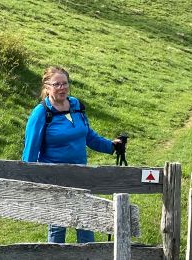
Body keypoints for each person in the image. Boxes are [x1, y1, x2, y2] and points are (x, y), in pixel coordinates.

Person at [22, 66, 120, 243]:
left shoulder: (76, 105)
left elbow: (87, 135)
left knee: (86, 222)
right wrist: (28, 182)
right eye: (56, 84)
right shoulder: (41, 113)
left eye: (64, 83)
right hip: (55, 178)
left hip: (81, 174)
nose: (62, 88)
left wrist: (111, 146)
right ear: (47, 87)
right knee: (58, 226)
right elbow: (30, 151)